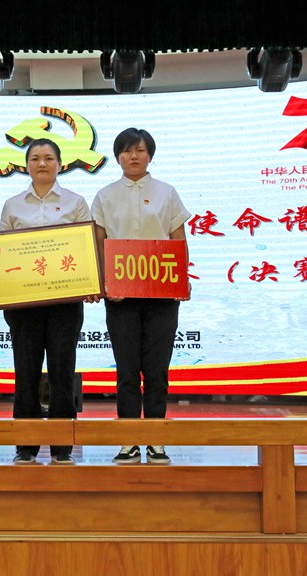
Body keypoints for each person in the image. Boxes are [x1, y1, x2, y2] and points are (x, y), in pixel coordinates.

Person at [90, 128, 191, 466]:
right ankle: (129, 438)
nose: (133, 156)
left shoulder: (167, 192)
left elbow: (177, 238)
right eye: (127, 151)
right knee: (127, 369)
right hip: (120, 297)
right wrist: (105, 282)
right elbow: (99, 243)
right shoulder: (105, 195)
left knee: (157, 368)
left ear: (150, 156)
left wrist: (181, 280)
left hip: (161, 294)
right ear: (117, 156)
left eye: (141, 150)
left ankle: (157, 439)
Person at [0, 138, 90, 465]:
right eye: (35, 158)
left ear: (60, 165)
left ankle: (63, 446)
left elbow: (86, 249)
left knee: (62, 370)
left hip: (65, 303)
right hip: (23, 305)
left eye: (49, 158)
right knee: (26, 372)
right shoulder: (13, 205)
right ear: (26, 165)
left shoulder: (76, 203)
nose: (42, 163)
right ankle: (26, 444)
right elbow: (1, 253)